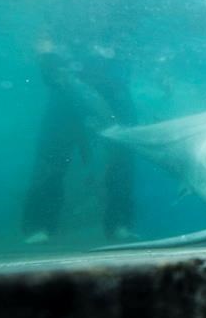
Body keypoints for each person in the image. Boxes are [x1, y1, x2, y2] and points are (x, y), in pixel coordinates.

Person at [22, 28, 138, 244]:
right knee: (51, 157)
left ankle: (120, 224)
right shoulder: (60, 12)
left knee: (122, 157)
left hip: (112, 89)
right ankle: (39, 225)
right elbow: (43, 39)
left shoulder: (122, 15)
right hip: (67, 86)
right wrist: (48, 59)